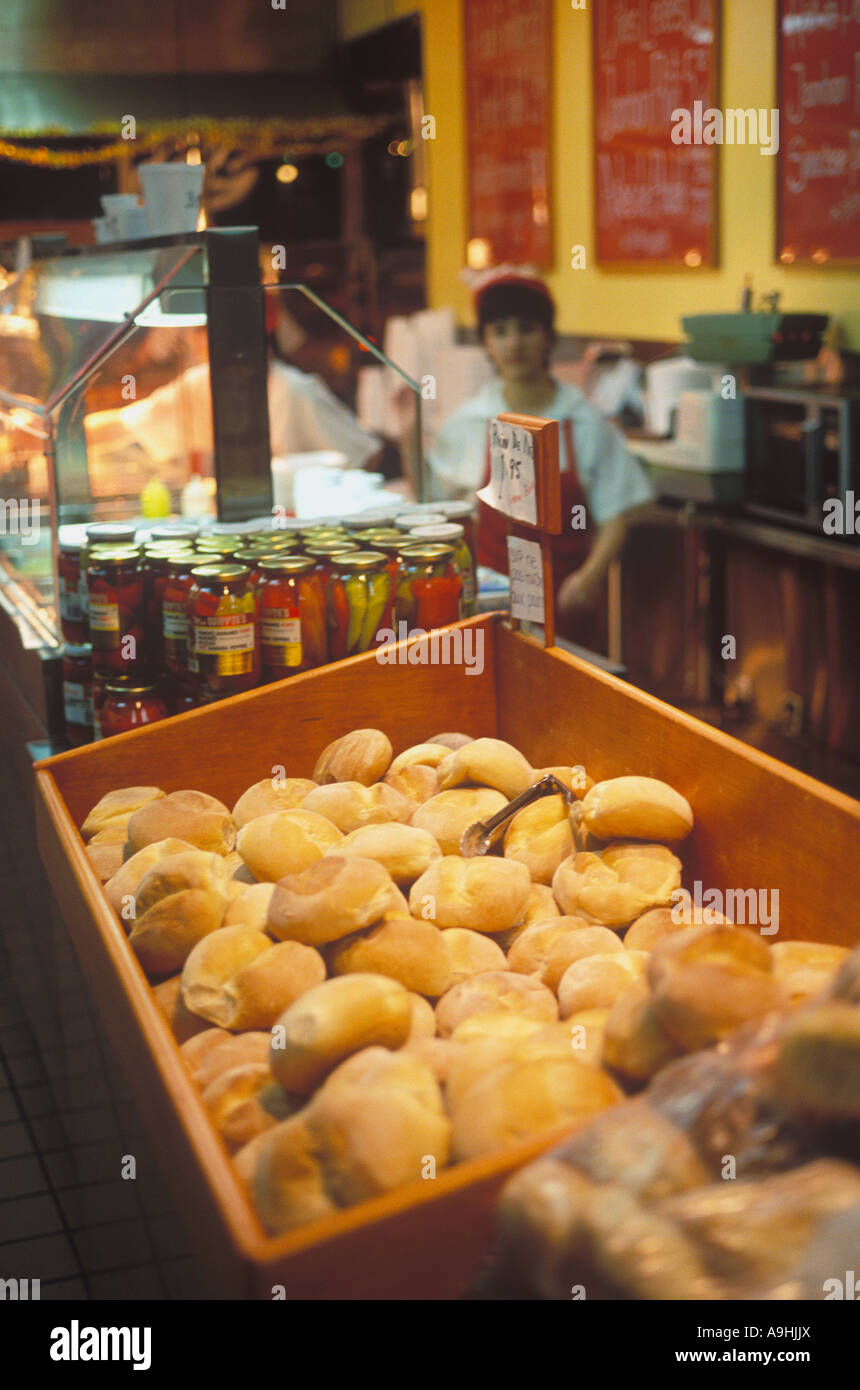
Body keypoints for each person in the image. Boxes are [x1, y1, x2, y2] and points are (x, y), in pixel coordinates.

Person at [427, 270, 655, 631]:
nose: (514, 343)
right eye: (500, 331)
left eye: (526, 329)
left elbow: (616, 514)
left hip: (567, 611)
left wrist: (590, 576)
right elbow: (438, 510)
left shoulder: (583, 421)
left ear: (548, 338)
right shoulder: (467, 423)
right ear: (486, 342)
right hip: (488, 612)